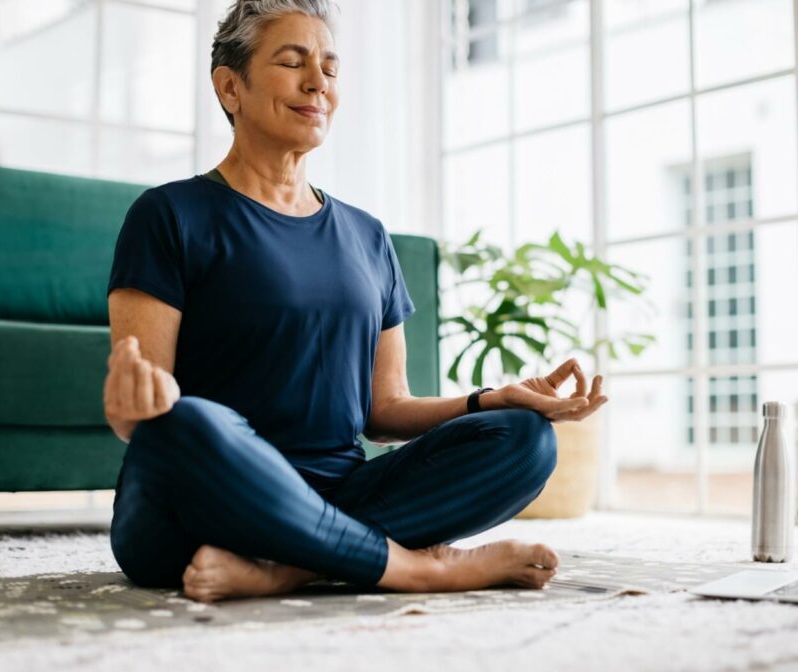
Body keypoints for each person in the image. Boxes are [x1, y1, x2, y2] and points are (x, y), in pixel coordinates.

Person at [103, 0, 608, 604]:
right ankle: (424, 570)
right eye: (293, 63)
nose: (318, 81)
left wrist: (490, 399)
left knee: (526, 440)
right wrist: (130, 403)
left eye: (330, 68)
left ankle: (289, 569)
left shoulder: (368, 236)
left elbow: (384, 409)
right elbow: (142, 415)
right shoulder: (168, 215)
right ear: (230, 86)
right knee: (187, 419)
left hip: (336, 494)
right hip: (197, 506)